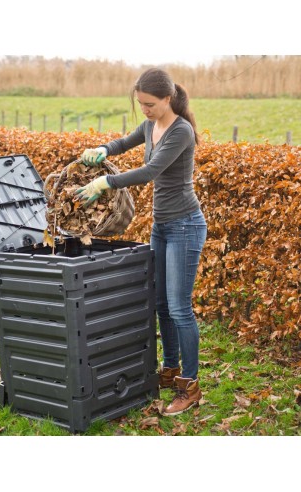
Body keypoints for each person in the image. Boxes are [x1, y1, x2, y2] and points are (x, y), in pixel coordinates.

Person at [75, 67, 207, 416]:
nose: (145, 110)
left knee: (180, 308)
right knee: (161, 304)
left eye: (150, 104)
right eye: (141, 104)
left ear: (167, 98)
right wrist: (102, 149)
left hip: (185, 226)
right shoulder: (150, 126)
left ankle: (190, 386)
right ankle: (170, 370)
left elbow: (151, 171)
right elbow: (123, 143)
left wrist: (106, 183)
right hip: (162, 227)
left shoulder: (182, 132)